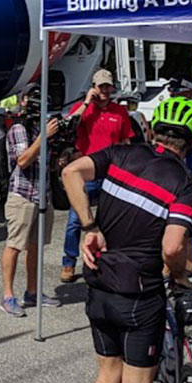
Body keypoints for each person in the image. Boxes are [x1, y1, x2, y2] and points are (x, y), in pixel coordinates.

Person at [60, 98, 192, 383]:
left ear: (154, 130)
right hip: (140, 295)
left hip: (99, 284)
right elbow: (173, 246)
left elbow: (70, 172)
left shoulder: (122, 153)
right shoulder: (186, 181)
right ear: (191, 142)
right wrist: (180, 278)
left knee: (106, 380)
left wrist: (89, 225)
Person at [60, 69, 134, 283]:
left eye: (107, 86)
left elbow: (126, 141)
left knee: (110, 219)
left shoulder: (119, 111)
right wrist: (86, 103)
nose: (104, 90)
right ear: (93, 87)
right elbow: (69, 124)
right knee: (76, 220)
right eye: (100, 86)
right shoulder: (84, 109)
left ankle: (105, 260)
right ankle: (68, 262)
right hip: (87, 173)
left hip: (111, 173)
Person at [0, 85, 62, 316]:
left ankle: (32, 291)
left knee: (36, 246)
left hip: (42, 195)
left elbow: (46, 163)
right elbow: (23, 160)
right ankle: (8, 296)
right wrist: (44, 136)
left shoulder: (39, 128)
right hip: (22, 195)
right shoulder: (19, 129)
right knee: (15, 245)